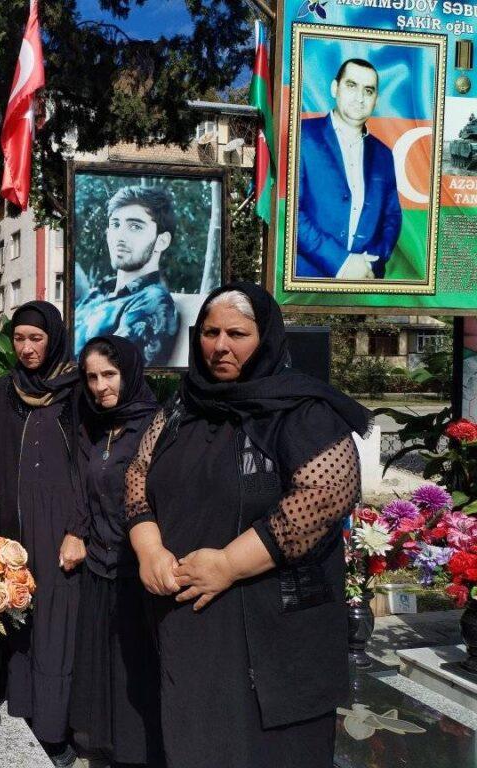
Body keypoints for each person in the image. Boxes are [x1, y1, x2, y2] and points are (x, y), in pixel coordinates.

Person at [125, 282, 371, 768]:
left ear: (266, 338)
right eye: (210, 332)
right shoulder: (182, 406)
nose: (220, 346)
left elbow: (326, 494)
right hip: (189, 615)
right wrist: (148, 547)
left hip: (270, 624)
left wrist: (228, 565)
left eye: (237, 334)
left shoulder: (302, 410)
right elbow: (138, 475)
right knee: (196, 736)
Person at [0, 300, 84, 767]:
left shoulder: (75, 391)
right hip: (13, 530)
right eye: (20, 338)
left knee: (55, 625)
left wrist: (79, 528)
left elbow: (93, 463)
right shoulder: (6, 390)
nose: (27, 348)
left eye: (36, 339)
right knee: (19, 617)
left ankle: (54, 730)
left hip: (61, 528)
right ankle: (25, 713)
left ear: (53, 339)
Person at [69, 335, 162, 768]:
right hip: (100, 564)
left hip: (136, 568)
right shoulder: (99, 425)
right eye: (92, 377)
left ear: (130, 372)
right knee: (104, 667)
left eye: (109, 374)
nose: (100, 386)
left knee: (135, 669)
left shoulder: (154, 427)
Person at [296, 58, 402, 280]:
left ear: (376, 100)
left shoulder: (384, 154)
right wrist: (341, 262)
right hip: (309, 283)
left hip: (365, 281)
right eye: (352, 86)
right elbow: (292, 213)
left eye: (368, 91)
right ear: (335, 88)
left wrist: (373, 260)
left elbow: (392, 217)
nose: (360, 98)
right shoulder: (300, 136)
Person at [73, 186, 179, 366]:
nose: (119, 237)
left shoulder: (152, 301)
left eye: (135, 226)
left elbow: (111, 372)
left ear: (162, 241)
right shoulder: (98, 294)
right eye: (115, 224)